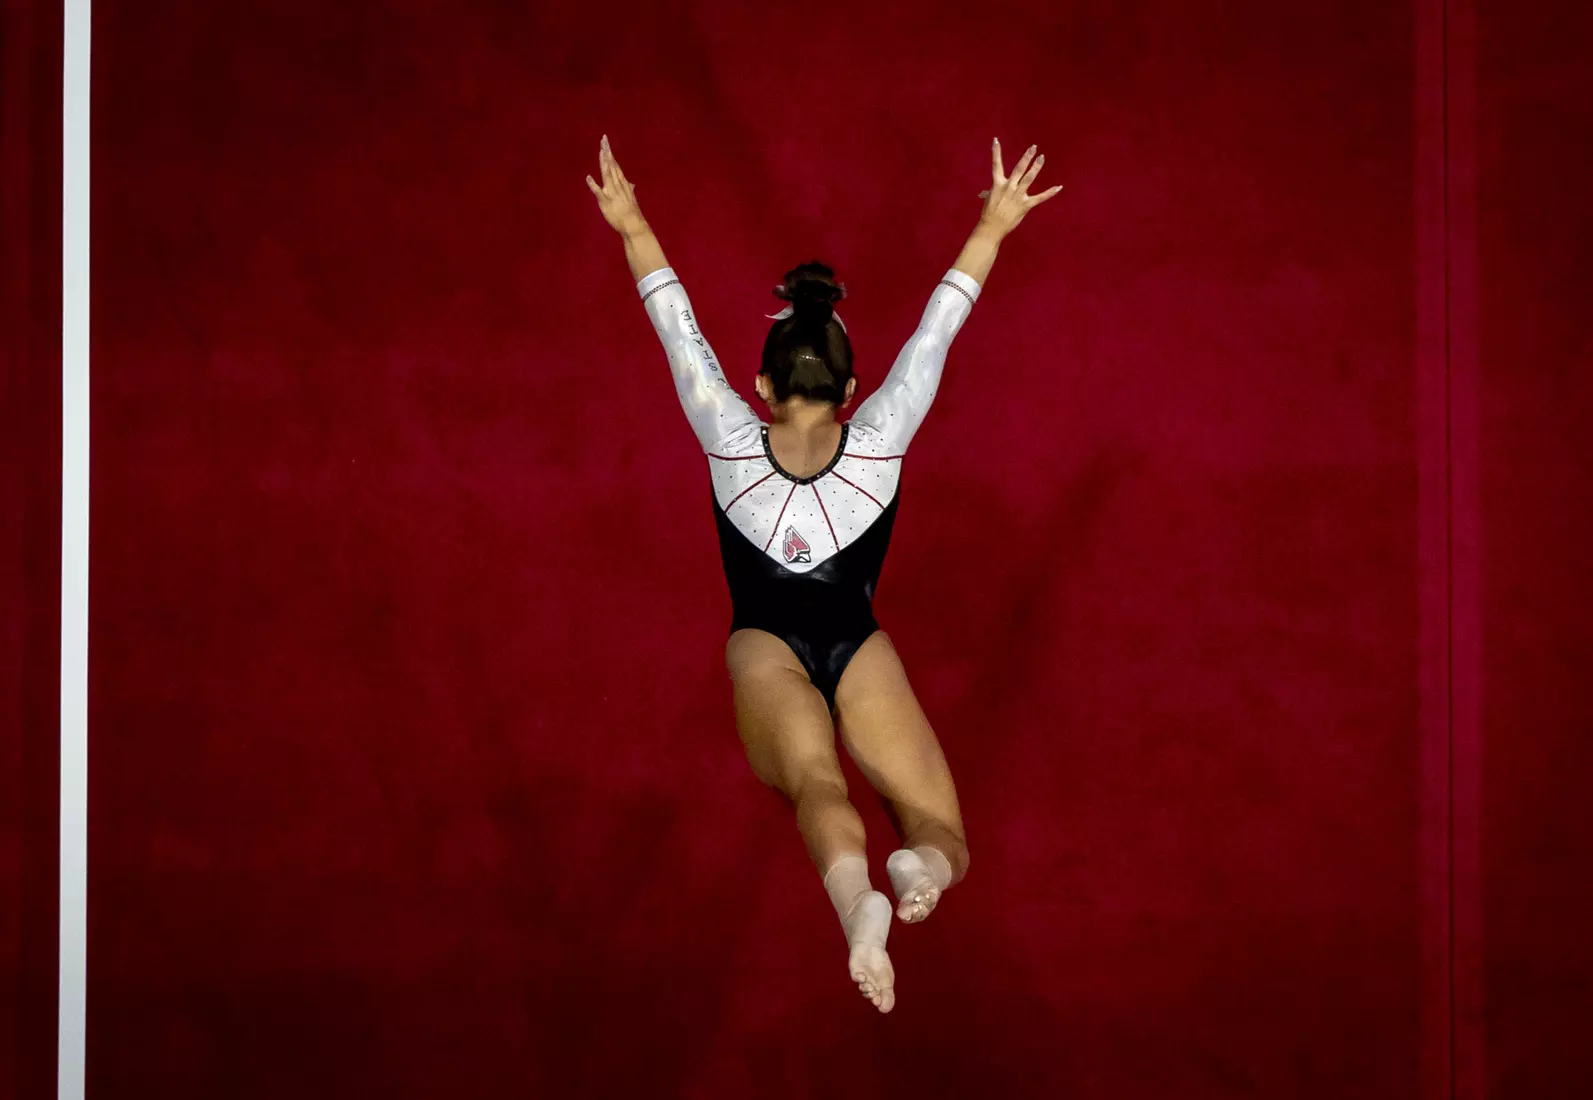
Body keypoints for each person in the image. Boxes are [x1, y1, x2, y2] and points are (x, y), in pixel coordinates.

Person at [586, 135, 1061, 1013]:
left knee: (815, 784)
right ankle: (914, 867)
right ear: (852, 390)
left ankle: (857, 915)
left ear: (762, 383)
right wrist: (992, 224)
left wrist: (632, 223)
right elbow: (935, 332)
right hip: (857, 638)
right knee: (940, 832)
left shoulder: (729, 434)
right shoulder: (879, 436)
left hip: (763, 645)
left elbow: (675, 326)